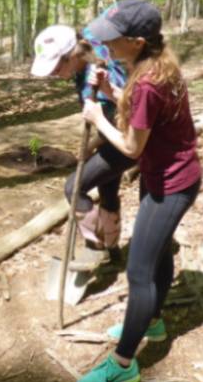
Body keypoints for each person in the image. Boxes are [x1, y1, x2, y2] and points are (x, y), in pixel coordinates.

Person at [75, 0, 202, 382]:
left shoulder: (148, 80)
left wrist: (97, 117)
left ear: (136, 40)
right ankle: (153, 322)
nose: (105, 45)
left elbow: (131, 147)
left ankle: (123, 364)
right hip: (162, 174)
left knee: (140, 271)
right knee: (159, 255)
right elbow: (146, 117)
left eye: (112, 40)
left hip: (172, 183)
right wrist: (112, 92)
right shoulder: (153, 66)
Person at [31, 24, 136, 265]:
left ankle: (95, 246)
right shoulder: (85, 54)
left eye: (57, 69)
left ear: (72, 56)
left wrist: (90, 145)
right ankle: (113, 252)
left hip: (129, 140)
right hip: (109, 136)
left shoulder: (102, 71)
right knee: (108, 191)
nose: (54, 75)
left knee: (73, 189)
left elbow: (124, 118)